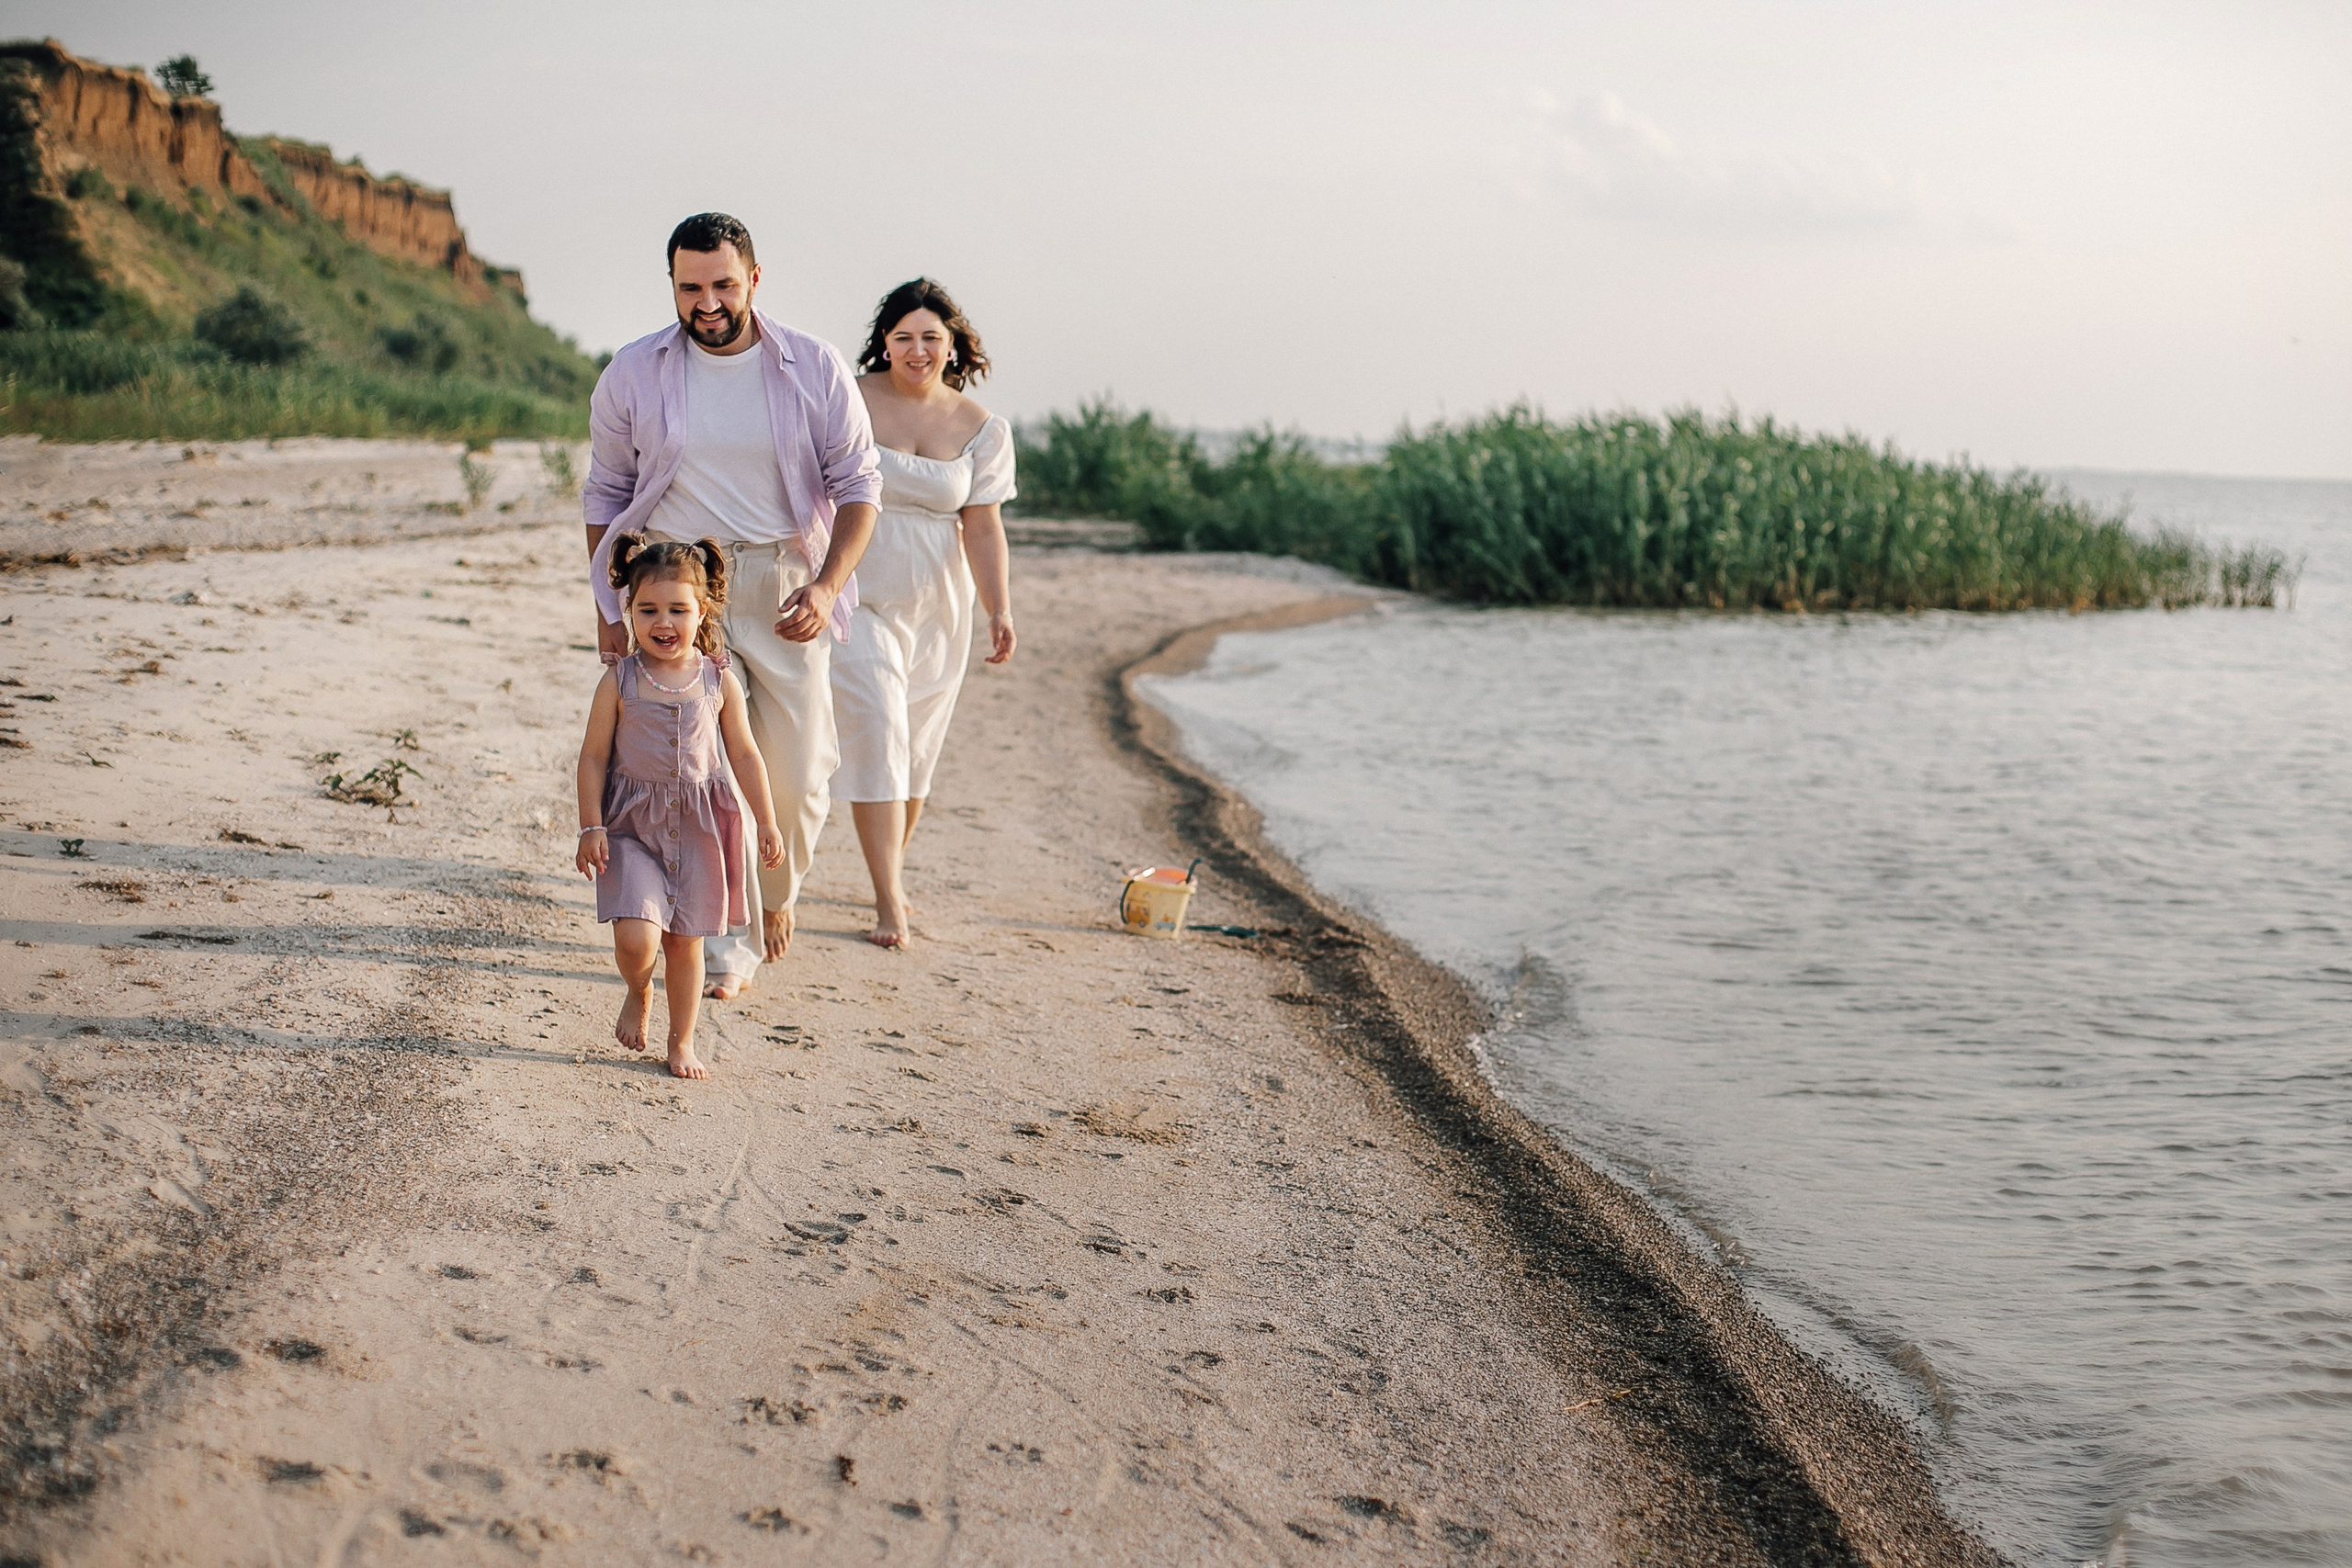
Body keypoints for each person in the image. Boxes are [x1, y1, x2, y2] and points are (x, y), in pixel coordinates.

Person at [582, 212, 880, 998]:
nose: (706, 302)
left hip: (783, 586)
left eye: (722, 284)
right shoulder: (633, 371)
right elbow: (607, 491)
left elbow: (859, 489)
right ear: (673, 286)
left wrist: (824, 586)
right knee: (698, 770)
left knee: (800, 774)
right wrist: (613, 608)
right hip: (679, 593)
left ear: (754, 278)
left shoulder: (813, 367)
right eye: (690, 287)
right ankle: (723, 939)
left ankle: (777, 897)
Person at [834, 278, 1018, 948]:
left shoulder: (981, 427)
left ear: (952, 345)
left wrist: (999, 608)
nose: (917, 349)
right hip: (860, 592)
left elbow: (984, 526)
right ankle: (889, 900)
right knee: (880, 731)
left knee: (916, 751)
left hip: (942, 606)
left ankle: (892, 872)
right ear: (885, 341)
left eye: (930, 338)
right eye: (904, 336)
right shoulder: (848, 398)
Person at [575, 538, 786, 1079]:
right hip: (630, 829)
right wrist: (591, 825)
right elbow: (594, 756)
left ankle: (682, 1040)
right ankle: (638, 987)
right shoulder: (619, 680)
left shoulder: (718, 680)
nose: (662, 622)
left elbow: (744, 753)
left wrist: (766, 820)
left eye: (678, 610)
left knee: (685, 941)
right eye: (648, 610)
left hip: (698, 829)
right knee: (637, 936)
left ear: (703, 610)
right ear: (630, 611)